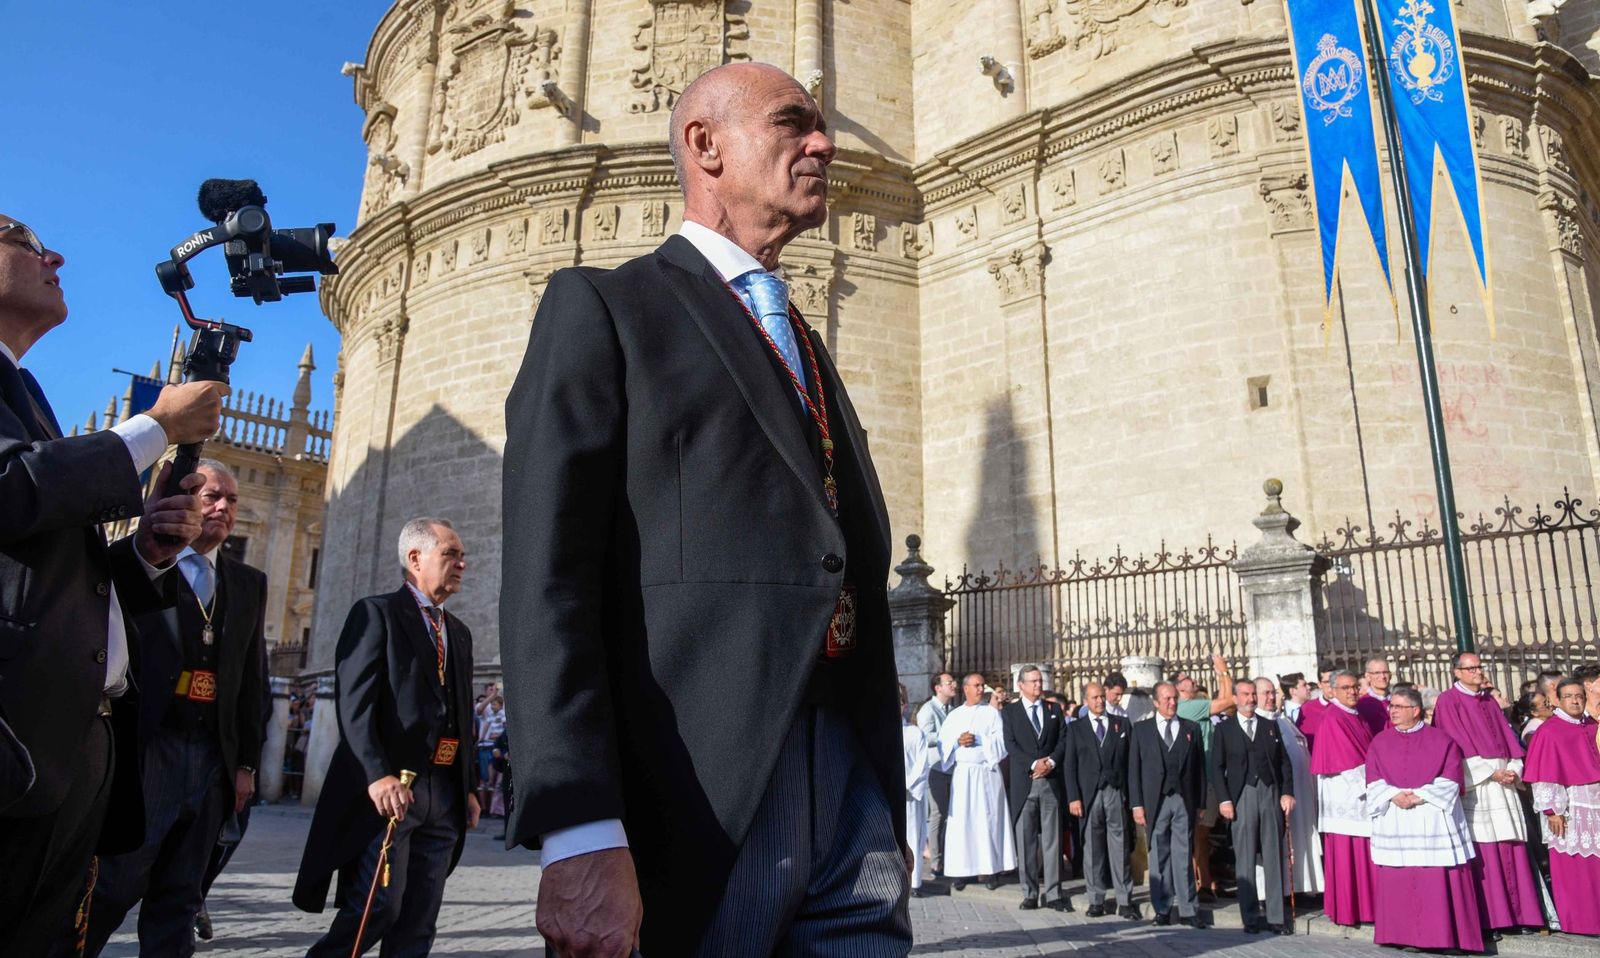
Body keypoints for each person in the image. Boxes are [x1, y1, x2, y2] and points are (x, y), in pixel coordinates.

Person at [499, 62, 909, 955]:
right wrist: (577, 828)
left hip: (850, 787)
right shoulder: (607, 308)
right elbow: (548, 577)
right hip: (699, 802)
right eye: (793, 122)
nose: (826, 143)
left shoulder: (800, 338)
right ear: (705, 145)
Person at [0, 212, 224, 955]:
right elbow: (9, 487)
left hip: (73, 745)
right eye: (24, 241)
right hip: (19, 740)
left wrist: (149, 552)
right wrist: (154, 425)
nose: (53, 253)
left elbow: (51, 563)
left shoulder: (23, 389)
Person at [73, 460, 267, 958]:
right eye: (211, 497)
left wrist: (245, 763)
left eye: (232, 500)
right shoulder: (132, 563)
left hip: (210, 758)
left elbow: (252, 678)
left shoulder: (247, 583)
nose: (223, 507)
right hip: (148, 749)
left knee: (181, 896)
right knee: (113, 887)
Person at [294, 518, 481, 956]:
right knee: (377, 906)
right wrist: (376, 775)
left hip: (445, 794)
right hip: (395, 790)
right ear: (416, 559)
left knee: (420, 919)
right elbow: (354, 705)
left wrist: (469, 786)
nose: (462, 564)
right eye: (450, 554)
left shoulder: (458, 632)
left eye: (462, 556)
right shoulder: (376, 613)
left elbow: (463, 714)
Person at [1432, 651, 1544, 936]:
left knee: (1511, 846)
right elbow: (1453, 744)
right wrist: (1488, 773)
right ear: (1456, 672)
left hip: (1503, 783)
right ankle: (1492, 920)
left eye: (1479, 667)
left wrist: (1514, 768)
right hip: (1478, 786)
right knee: (1486, 851)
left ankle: (1521, 915)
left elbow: (1508, 740)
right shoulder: (1449, 700)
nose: (1477, 672)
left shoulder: (1488, 700)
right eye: (1470, 669)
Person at [1365, 687, 1484, 952]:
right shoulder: (1380, 741)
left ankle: (1441, 937)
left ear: (1415, 710)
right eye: (1391, 706)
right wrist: (1394, 795)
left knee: (1434, 880)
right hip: (1396, 819)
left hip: (1432, 819)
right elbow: (1372, 779)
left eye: (1398, 706)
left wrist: (1417, 797)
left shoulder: (1442, 740)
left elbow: (1452, 779)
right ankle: (1402, 935)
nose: (1392, 711)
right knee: (1400, 878)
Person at [1211, 678, 1295, 935]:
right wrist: (1225, 800)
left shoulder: (1270, 726)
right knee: (1245, 857)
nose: (1250, 699)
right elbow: (1216, 767)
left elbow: (1284, 763)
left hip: (1269, 793)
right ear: (1235, 699)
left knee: (1272, 855)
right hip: (1242, 795)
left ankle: (1276, 917)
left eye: (1252, 695)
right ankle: (1249, 917)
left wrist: (1287, 793)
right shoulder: (1225, 730)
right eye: (1245, 695)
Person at [1524, 677, 1600, 936]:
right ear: (1557, 699)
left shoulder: (1592, 726)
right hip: (1570, 808)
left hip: (1596, 804)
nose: (1576, 701)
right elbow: (1544, 774)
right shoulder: (1550, 731)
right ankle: (1581, 923)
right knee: (1575, 866)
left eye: (1579, 695)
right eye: (1569, 696)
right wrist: (1552, 811)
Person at [1129, 682, 1205, 927]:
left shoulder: (1190, 728)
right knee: (1159, 855)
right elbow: (1134, 770)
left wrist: (1201, 803)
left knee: (1184, 854)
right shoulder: (1141, 730)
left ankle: (1188, 909)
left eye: (1174, 698)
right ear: (1155, 701)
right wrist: (1137, 804)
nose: (1172, 703)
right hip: (1155, 800)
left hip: (1184, 799)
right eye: (1167, 699)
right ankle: (1162, 908)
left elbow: (1200, 770)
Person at [1064, 682, 1137, 919]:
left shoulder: (1121, 725)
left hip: (1115, 791)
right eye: (1094, 698)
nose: (1099, 701)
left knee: (1120, 845)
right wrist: (1074, 797)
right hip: (1089, 794)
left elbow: (1130, 763)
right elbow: (1070, 765)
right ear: (1086, 700)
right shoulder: (1076, 729)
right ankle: (1096, 899)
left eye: (1101, 697)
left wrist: (1129, 796)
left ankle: (1125, 899)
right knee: (1092, 848)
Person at [1311, 669, 1377, 927]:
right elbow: (1345, 761)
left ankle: (1368, 908)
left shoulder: (1356, 715)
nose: (1352, 692)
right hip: (1347, 797)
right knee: (1350, 856)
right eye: (1346, 688)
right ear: (1333, 690)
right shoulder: (1333, 718)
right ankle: (1350, 910)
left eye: (1355, 687)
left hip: (1361, 793)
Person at [939, 672, 1015, 891]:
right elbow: (944, 743)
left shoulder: (991, 714)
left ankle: (990, 870)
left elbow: (1001, 744)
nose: (981, 689)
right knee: (963, 823)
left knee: (988, 821)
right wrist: (957, 741)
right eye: (977, 685)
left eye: (982, 685)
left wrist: (980, 740)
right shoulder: (954, 715)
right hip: (964, 775)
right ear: (966, 689)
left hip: (986, 773)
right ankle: (962, 871)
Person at [1001, 665, 1068, 911]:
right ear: (1021, 685)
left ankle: (1054, 893)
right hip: (1025, 782)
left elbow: (1063, 739)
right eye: (1033, 681)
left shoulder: (1053, 709)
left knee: (1052, 840)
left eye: (1040, 680)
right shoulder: (1010, 712)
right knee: (1026, 839)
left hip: (1050, 781)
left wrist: (1050, 762)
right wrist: (1033, 763)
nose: (1038, 685)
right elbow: (1011, 744)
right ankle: (1029, 892)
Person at [1255, 677, 1322, 895]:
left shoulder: (1282, 720)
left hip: (1300, 794)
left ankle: (1302, 887)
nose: (1271, 697)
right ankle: (1275, 893)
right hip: (1277, 794)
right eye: (1265, 693)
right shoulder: (1257, 723)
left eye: (1272, 692)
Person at [1175, 654, 1234, 901]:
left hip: (1210, 775)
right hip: (1202, 778)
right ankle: (1202, 882)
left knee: (1203, 833)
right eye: (1186, 678)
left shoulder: (1196, 703)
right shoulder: (1186, 707)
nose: (1192, 678)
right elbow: (1229, 700)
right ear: (1180, 688)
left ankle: (1206, 880)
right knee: (1199, 833)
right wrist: (1222, 672)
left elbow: (1227, 705)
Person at [917, 672, 958, 880]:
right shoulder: (928, 709)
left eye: (953, 682)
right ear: (938, 687)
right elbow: (924, 735)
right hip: (936, 768)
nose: (953, 685)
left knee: (950, 816)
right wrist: (950, 735)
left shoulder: (952, 709)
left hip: (952, 768)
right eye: (948, 682)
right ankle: (935, 862)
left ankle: (947, 858)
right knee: (937, 815)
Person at [900, 684, 931, 898]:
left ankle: (914, 882)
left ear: (904, 705)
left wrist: (907, 784)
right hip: (886, 793)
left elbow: (922, 763)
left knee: (913, 835)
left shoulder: (914, 733)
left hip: (909, 795)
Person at [1356, 657, 1393, 736]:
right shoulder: (1362, 704)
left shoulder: (1399, 700)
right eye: (1377, 673)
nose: (1382, 676)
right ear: (1368, 677)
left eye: (1385, 672)